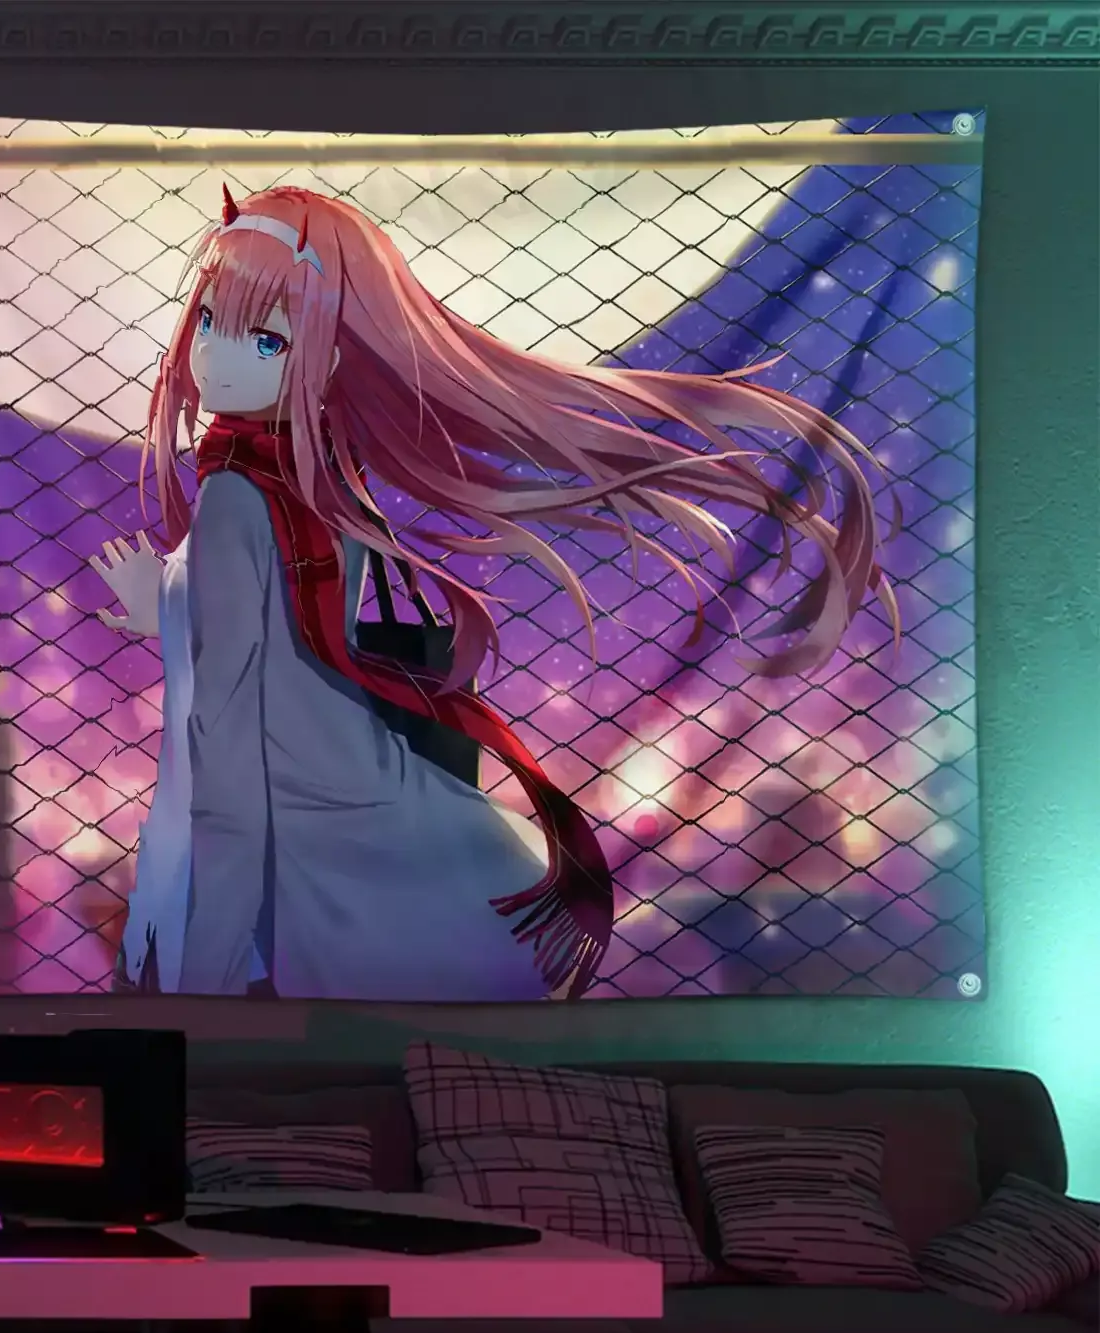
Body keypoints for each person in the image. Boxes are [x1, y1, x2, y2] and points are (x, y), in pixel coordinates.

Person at [90, 185, 893, 1000]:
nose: (217, 358)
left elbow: (232, 711)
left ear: (330, 358)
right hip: (343, 787)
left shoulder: (245, 487)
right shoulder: (318, 469)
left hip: (291, 810)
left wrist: (201, 973)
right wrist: (170, 604)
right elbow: (275, 624)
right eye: (208, 321)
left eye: (265, 339)